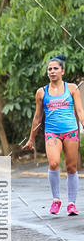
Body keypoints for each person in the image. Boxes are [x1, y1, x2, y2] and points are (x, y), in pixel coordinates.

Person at [25, 54, 84, 215]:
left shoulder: (72, 88)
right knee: (53, 163)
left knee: (71, 167)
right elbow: (37, 117)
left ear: (62, 71)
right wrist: (31, 138)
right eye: (49, 69)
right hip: (52, 133)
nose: (52, 71)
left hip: (71, 131)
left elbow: (80, 111)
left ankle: (71, 203)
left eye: (55, 68)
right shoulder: (41, 92)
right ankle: (56, 200)